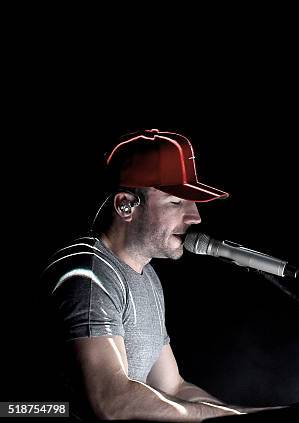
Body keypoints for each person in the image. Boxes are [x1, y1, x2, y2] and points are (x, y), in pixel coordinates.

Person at [43, 129, 274, 420]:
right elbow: (111, 401)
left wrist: (240, 415)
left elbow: (173, 387)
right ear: (125, 205)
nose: (195, 217)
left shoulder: (147, 276)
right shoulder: (88, 273)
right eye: (176, 202)